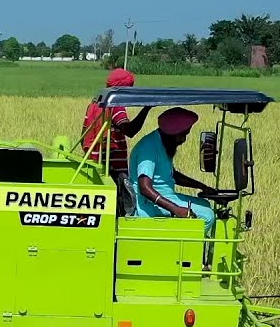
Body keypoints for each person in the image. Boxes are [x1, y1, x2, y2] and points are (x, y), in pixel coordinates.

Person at [129, 106, 217, 270]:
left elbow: (171, 175)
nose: (184, 139)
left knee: (205, 205)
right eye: (182, 134)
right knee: (207, 216)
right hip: (148, 206)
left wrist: (202, 186)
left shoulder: (162, 143)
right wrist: (176, 209)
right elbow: (144, 187)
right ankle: (183, 259)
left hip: (166, 196)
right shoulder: (148, 148)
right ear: (172, 133)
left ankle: (190, 255)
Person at [81, 68, 150, 216]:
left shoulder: (94, 104)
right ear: (123, 88)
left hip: (93, 164)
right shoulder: (115, 105)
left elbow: (84, 136)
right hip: (113, 168)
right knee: (122, 208)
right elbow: (129, 130)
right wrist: (147, 108)